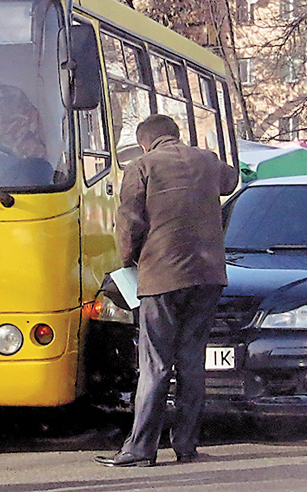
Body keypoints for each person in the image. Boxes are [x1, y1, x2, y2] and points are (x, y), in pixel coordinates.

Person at [95, 114, 239, 467]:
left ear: (144, 143)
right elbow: (232, 180)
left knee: (156, 363)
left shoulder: (142, 166)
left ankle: (141, 448)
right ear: (176, 135)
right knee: (191, 362)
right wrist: (208, 151)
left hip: (162, 276)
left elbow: (130, 223)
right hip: (208, 276)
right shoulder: (205, 161)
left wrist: (128, 261)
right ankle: (186, 446)